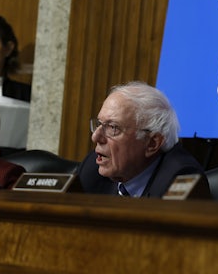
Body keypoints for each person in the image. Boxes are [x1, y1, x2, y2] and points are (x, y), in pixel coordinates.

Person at [77, 81, 210, 198]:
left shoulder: (180, 179)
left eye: (113, 128)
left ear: (152, 143)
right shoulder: (92, 169)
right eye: (99, 124)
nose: (95, 137)